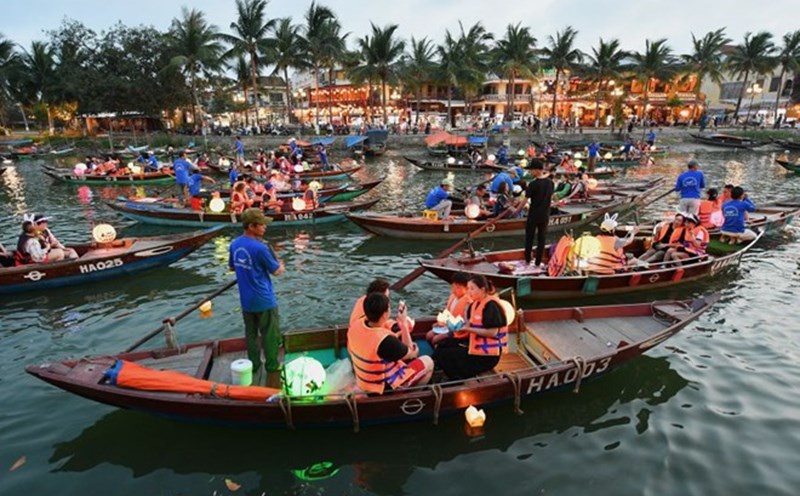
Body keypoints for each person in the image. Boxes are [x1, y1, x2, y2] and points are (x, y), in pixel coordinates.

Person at [229, 208, 285, 382]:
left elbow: (232, 267)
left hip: (246, 300)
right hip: (264, 299)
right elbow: (276, 271)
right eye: (261, 225)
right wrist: (281, 264)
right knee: (269, 334)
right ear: (251, 226)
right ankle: (272, 365)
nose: (265, 228)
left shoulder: (235, 244)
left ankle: (254, 363)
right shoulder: (260, 248)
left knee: (251, 334)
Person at [347, 293, 434, 394]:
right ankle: (409, 396)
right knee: (428, 361)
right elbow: (411, 353)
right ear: (385, 314)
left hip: (364, 381)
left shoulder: (356, 325)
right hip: (383, 387)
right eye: (389, 308)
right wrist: (404, 325)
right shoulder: (385, 341)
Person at [433, 274, 508, 380]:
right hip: (473, 344)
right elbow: (469, 323)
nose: (469, 292)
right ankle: (440, 370)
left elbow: (493, 332)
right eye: (468, 288)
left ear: (482, 289)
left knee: (449, 354)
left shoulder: (491, 305)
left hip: (487, 355)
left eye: (472, 289)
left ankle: (456, 378)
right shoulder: (475, 304)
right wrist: (454, 324)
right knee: (443, 346)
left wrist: (468, 329)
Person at [426, 272, 472, 347]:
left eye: (458, 287)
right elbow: (447, 314)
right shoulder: (453, 297)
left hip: (459, 331)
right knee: (429, 335)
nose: (455, 290)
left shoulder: (468, 302)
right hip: (448, 326)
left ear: (466, 288)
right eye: (454, 286)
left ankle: (438, 353)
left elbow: (468, 323)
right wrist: (440, 323)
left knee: (436, 339)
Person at [524, 159, 554, 267]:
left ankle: (527, 260)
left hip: (533, 215)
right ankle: (537, 262)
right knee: (542, 239)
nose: (530, 172)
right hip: (545, 215)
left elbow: (524, 201)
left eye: (531, 170)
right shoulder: (551, 183)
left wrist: (515, 210)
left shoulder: (533, 184)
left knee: (529, 238)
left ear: (537, 170)